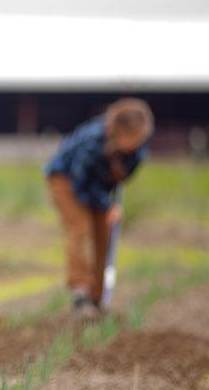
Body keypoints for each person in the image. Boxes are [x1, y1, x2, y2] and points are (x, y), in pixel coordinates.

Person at [44, 98, 155, 320]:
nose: (138, 143)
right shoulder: (92, 143)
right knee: (81, 229)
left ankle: (97, 299)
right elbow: (79, 182)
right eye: (133, 138)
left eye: (141, 138)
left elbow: (120, 178)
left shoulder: (136, 151)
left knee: (104, 234)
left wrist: (107, 203)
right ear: (120, 133)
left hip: (98, 189)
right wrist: (106, 204)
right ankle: (80, 295)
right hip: (65, 180)